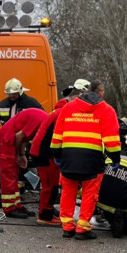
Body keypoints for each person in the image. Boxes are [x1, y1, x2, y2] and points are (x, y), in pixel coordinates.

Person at [51, 80, 120, 240]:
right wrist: (115, 158)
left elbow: (57, 133)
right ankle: (82, 228)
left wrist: (57, 155)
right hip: (92, 160)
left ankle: (67, 227)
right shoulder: (106, 110)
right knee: (90, 194)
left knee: (68, 192)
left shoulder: (68, 107)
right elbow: (111, 139)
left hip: (68, 157)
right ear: (101, 92)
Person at [30, 79, 90, 225]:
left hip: (44, 151)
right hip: (44, 153)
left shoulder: (61, 110)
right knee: (50, 185)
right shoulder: (63, 112)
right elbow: (60, 137)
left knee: (51, 184)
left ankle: (48, 211)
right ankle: (45, 215)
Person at [0, 108, 47, 218]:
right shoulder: (40, 121)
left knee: (14, 175)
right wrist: (16, 155)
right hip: (8, 139)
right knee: (9, 175)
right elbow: (18, 137)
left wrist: (22, 155)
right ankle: (9, 208)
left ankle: (16, 206)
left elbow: (24, 137)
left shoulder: (43, 119)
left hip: (12, 138)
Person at [96, 155, 127, 238]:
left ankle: (111, 217)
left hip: (101, 202)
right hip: (125, 206)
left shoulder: (111, 157)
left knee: (112, 214)